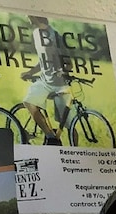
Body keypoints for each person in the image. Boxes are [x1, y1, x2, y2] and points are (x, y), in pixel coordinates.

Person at [20, 16, 71, 145]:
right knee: (28, 102)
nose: (27, 16)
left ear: (36, 17)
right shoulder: (36, 34)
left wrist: (62, 72)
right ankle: (50, 137)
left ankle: (73, 150)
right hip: (44, 81)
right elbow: (43, 61)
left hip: (59, 83)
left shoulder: (56, 36)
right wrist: (30, 72)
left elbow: (69, 63)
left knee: (69, 124)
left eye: (29, 14)